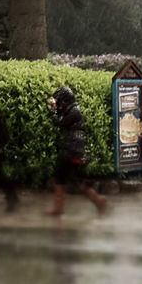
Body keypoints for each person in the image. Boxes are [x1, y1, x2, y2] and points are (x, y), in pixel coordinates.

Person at [46, 84, 107, 217]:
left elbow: (59, 122)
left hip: (73, 150)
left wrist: (53, 108)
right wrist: (56, 107)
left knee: (64, 177)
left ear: (66, 100)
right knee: (73, 180)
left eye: (61, 100)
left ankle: (98, 201)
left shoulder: (74, 111)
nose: (60, 103)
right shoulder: (72, 109)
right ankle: (97, 201)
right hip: (74, 149)